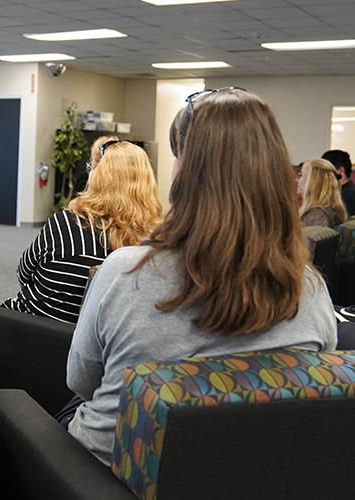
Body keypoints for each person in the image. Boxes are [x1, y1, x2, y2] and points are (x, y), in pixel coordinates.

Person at [64, 89, 336, 465]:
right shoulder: (310, 286)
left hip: (112, 475)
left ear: (186, 171)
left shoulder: (126, 272)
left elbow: (81, 382)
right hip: (248, 475)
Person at [2, 140, 161, 323]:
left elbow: (23, 273)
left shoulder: (65, 225)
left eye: (91, 167)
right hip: (98, 345)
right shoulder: (154, 243)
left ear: (98, 177)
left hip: (26, 328)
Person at [297, 158, 348, 227]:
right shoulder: (332, 211)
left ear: (314, 183)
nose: (297, 179)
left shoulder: (317, 216)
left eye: (301, 175)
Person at [321, 149, 355, 218]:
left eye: (325, 172)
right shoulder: (341, 193)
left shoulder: (348, 196)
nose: (321, 177)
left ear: (340, 171)